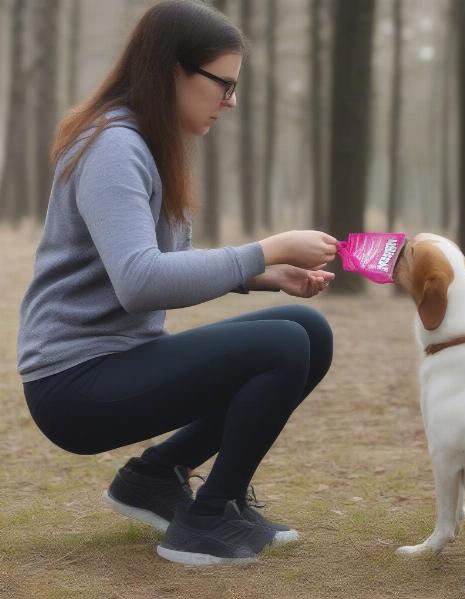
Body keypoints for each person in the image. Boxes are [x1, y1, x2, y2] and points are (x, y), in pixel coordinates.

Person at [17, 0, 337, 567]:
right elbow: (140, 281)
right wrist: (267, 247)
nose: (230, 101)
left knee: (307, 328)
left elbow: (168, 264)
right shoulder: (113, 146)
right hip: (72, 382)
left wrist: (265, 277)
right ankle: (206, 521)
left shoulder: (147, 143)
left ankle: (155, 478)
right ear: (174, 71)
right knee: (282, 346)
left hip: (118, 359)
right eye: (223, 84)